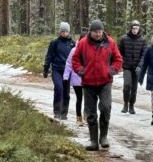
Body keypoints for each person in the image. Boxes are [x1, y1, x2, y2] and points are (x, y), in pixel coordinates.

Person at [72, 19, 124, 151]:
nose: (98, 34)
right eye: (95, 32)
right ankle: (94, 140)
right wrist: (81, 71)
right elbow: (75, 59)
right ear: (90, 32)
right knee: (91, 112)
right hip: (88, 82)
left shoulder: (110, 43)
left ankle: (104, 137)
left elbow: (118, 59)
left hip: (105, 81)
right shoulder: (83, 43)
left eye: (100, 31)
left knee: (106, 108)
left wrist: (111, 70)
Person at [43, 22, 75, 119]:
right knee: (59, 88)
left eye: (66, 31)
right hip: (57, 70)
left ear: (69, 32)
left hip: (68, 71)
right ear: (60, 32)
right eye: (63, 31)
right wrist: (46, 68)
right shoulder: (54, 43)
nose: (64, 33)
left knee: (66, 92)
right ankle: (57, 111)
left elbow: (76, 57)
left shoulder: (73, 43)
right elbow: (49, 56)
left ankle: (64, 112)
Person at [118, 20, 147, 114]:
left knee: (134, 87)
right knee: (127, 85)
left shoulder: (143, 40)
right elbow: (118, 53)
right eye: (133, 28)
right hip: (126, 66)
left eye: (137, 28)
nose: (135, 30)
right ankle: (125, 103)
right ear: (131, 28)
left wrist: (140, 66)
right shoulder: (124, 39)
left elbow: (144, 55)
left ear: (139, 29)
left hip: (137, 67)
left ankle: (131, 105)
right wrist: (120, 62)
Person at [63, 28, 87, 126]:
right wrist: (65, 76)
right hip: (76, 79)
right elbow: (68, 64)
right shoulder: (74, 50)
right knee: (79, 98)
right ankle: (79, 117)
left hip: (87, 79)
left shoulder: (90, 50)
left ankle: (86, 115)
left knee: (88, 98)